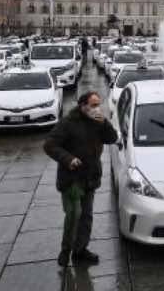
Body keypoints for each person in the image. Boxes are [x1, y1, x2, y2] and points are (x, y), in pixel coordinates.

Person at [43, 91, 118, 267]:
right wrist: (68, 159)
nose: (96, 108)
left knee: (86, 216)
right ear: (83, 105)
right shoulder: (68, 123)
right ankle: (65, 250)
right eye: (93, 105)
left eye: (98, 104)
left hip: (90, 177)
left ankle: (80, 250)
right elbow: (49, 145)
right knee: (74, 214)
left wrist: (105, 123)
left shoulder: (98, 122)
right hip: (72, 179)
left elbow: (112, 138)